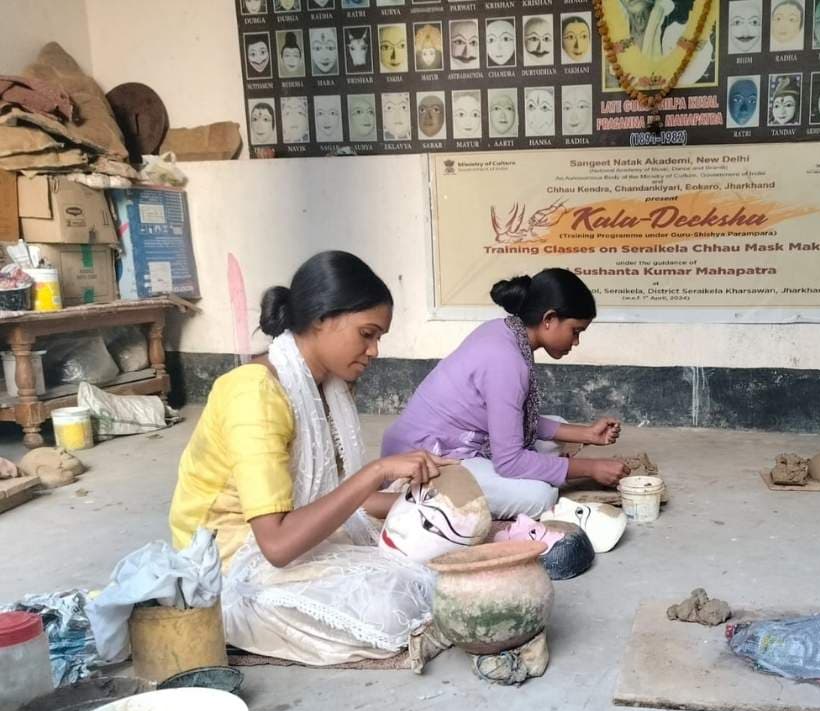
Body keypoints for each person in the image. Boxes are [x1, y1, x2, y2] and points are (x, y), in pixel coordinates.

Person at [169, 251, 450, 665]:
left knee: (435, 554)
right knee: (392, 605)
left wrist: (432, 504)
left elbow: (338, 499)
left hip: (287, 535)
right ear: (322, 319)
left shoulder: (329, 386)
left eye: (379, 338)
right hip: (232, 566)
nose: (374, 350)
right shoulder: (254, 394)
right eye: (367, 334)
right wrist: (377, 471)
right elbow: (278, 545)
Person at [381, 269, 629, 519]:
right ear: (549, 319)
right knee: (538, 496)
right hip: (424, 459)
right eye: (575, 331)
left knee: (556, 435)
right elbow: (510, 462)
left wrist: (586, 434)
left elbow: (513, 417)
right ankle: (423, 494)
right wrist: (591, 468)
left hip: (446, 438)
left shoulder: (503, 329)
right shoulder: (507, 361)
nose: (576, 342)